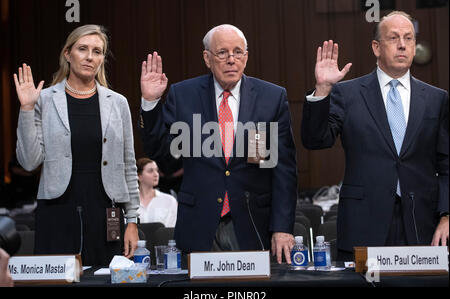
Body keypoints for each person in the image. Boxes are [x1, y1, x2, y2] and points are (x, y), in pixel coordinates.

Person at [139, 24, 298, 264]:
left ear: (246, 56)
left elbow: (283, 170)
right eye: (222, 53)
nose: (231, 60)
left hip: (253, 223)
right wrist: (151, 104)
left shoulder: (271, 98)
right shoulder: (183, 95)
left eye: (238, 52)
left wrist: (282, 227)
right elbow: (165, 159)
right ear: (207, 58)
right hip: (199, 224)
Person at [301, 11, 449, 260]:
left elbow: (446, 164)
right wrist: (323, 90)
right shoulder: (347, 94)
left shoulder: (437, 99)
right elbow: (316, 140)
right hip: (364, 222)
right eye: (394, 38)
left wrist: (446, 215)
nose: (403, 44)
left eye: (409, 38)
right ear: (376, 47)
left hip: (422, 223)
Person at [14, 25, 139, 266]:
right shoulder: (44, 100)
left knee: (105, 279)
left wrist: (132, 219)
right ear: (67, 54)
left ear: (103, 59)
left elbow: (129, 164)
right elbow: (29, 162)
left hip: (106, 210)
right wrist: (27, 108)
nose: (90, 57)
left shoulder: (118, 103)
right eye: (83, 49)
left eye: (98, 51)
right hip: (57, 210)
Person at [137, 158, 178, 227]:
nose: (156, 174)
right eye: (150, 171)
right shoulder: (129, 202)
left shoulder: (169, 201)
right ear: (139, 176)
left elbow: (170, 231)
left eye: (157, 170)